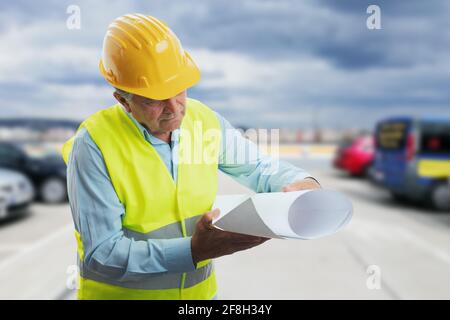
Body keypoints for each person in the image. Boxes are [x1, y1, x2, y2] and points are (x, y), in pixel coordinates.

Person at [62, 13, 320, 300]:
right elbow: (103, 253)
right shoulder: (94, 144)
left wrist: (302, 182)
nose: (174, 108)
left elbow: (259, 167)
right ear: (123, 100)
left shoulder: (203, 120)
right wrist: (194, 251)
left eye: (179, 90)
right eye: (154, 100)